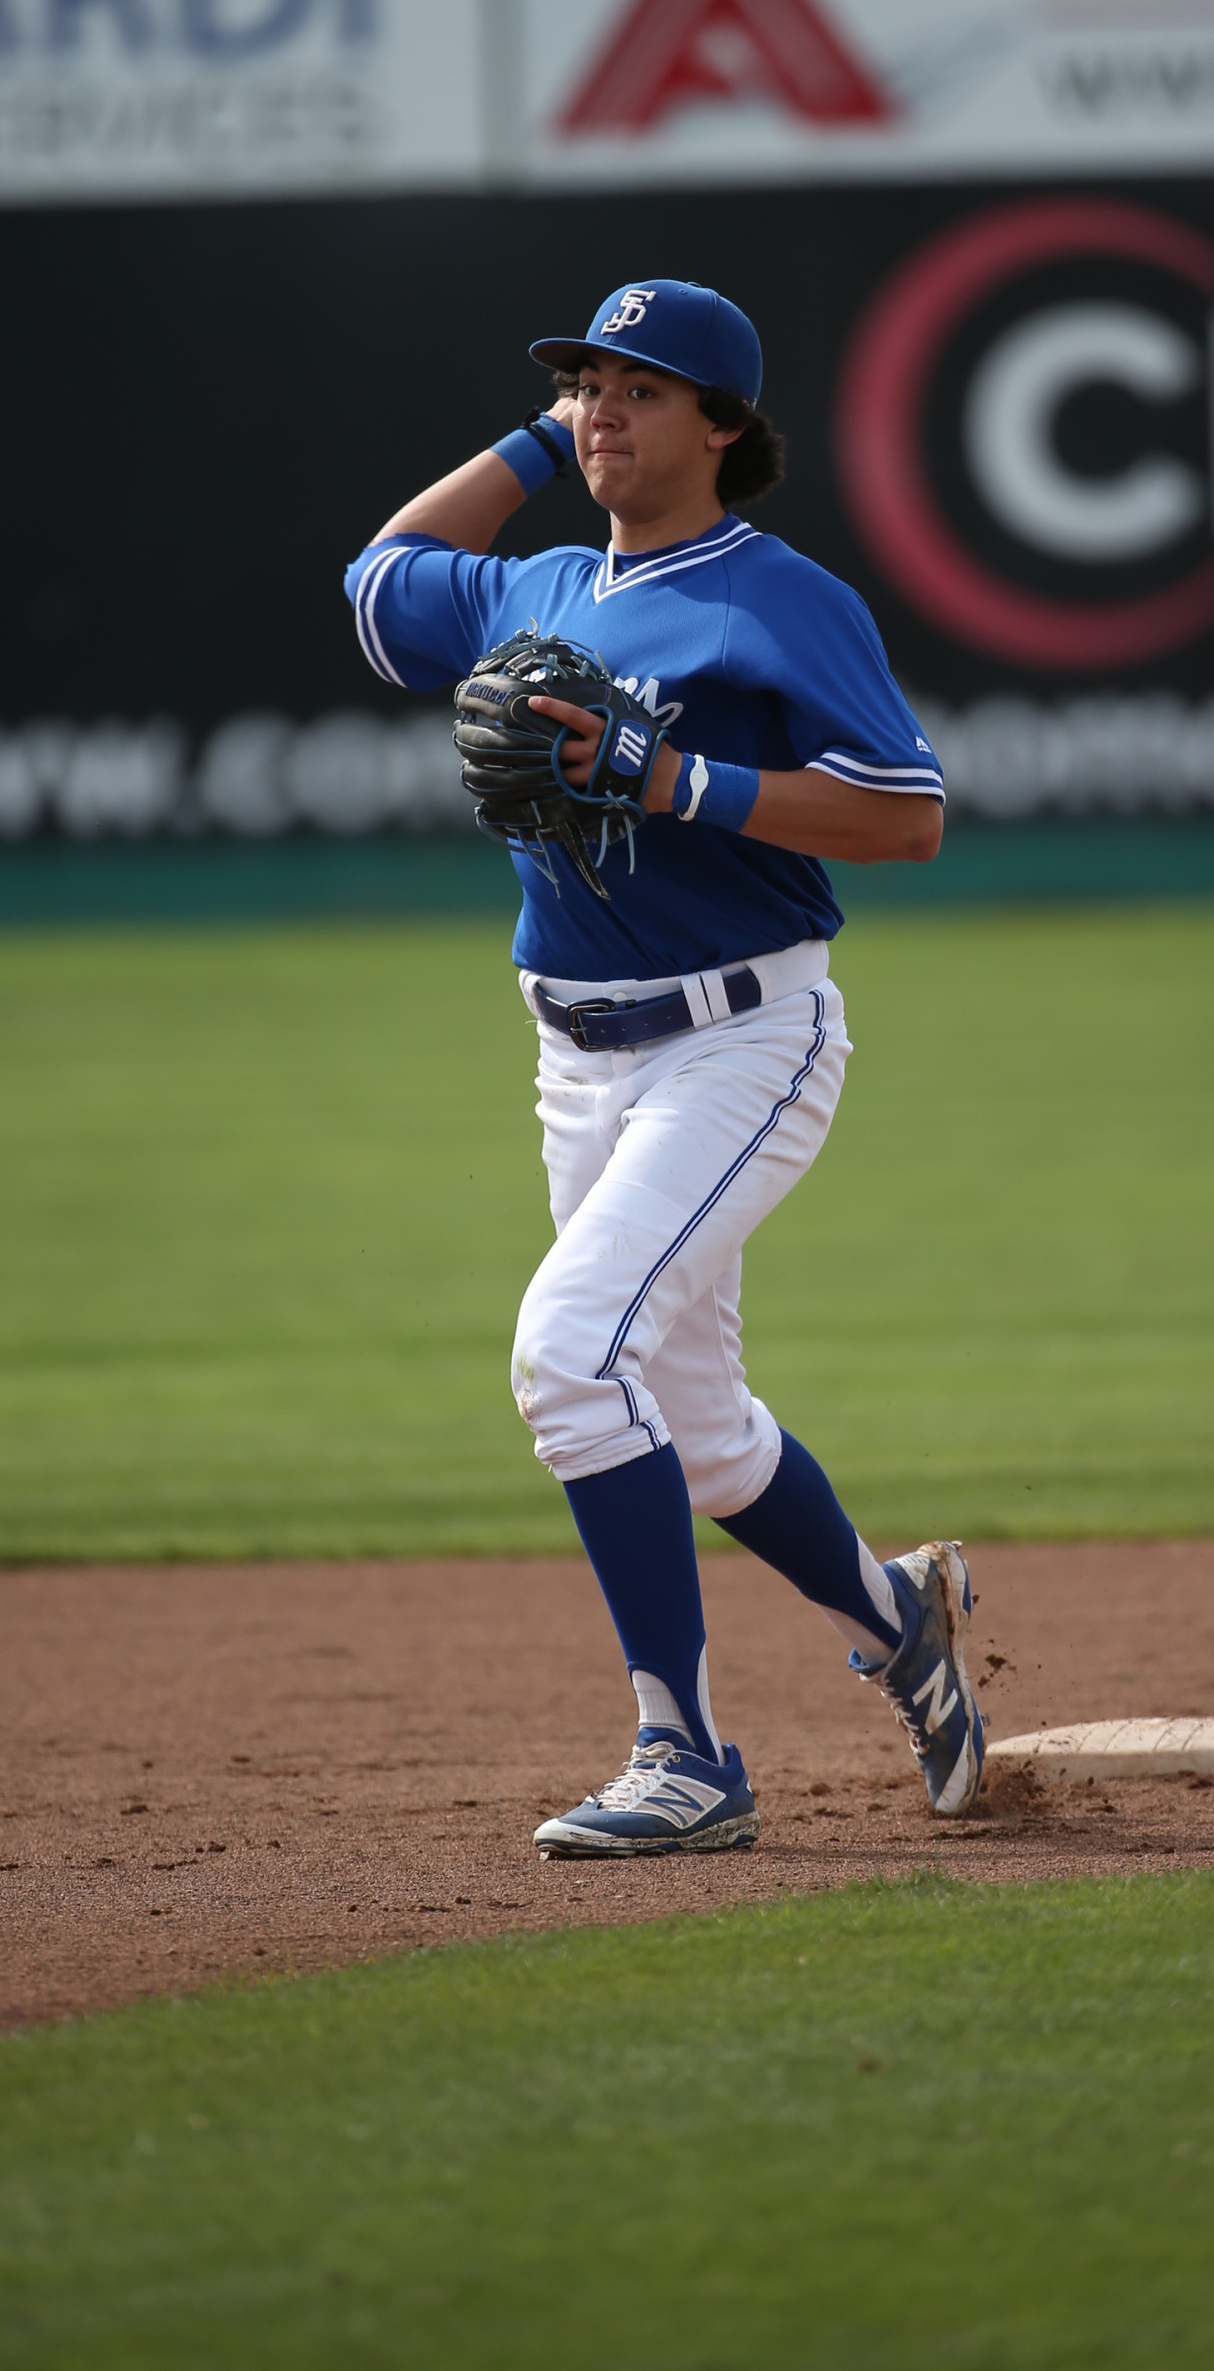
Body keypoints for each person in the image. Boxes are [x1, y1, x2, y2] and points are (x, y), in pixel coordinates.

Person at [344, 278, 985, 1857]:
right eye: (584, 383)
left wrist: (680, 774)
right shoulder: (537, 584)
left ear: (722, 424)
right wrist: (530, 444)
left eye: (637, 385)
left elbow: (905, 814)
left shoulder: (780, 598)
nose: (602, 406)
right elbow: (376, 580)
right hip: (575, 1050)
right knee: (694, 1421)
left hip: (744, 1033)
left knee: (571, 1352)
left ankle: (684, 1751)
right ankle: (903, 1620)